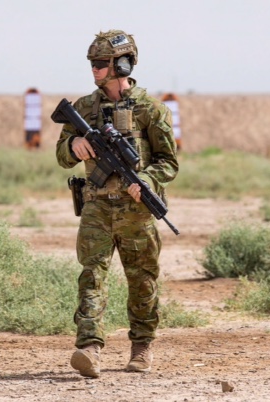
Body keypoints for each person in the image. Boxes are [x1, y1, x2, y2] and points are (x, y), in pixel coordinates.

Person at [55, 29, 179, 378]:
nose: (94, 69)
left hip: (136, 211)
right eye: (92, 63)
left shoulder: (151, 109)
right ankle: (89, 348)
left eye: (101, 63)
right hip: (96, 207)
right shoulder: (83, 108)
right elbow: (62, 156)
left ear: (123, 64)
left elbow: (168, 163)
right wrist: (73, 146)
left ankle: (142, 346)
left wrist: (147, 182)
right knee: (91, 277)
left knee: (142, 279)